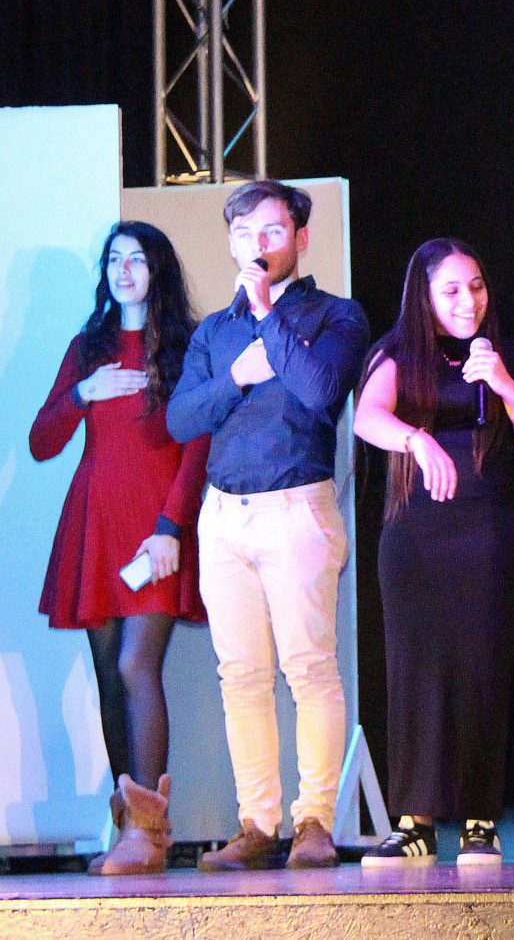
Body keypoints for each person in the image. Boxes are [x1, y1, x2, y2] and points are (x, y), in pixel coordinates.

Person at [168, 179, 370, 871]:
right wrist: (238, 376)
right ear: (230, 242)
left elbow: (319, 391)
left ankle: (314, 821)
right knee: (241, 676)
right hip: (225, 515)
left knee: (309, 669)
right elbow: (181, 419)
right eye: (243, 233)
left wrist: (266, 315)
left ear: (300, 238)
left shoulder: (336, 315)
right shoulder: (213, 331)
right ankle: (256, 824)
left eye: (273, 231)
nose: (256, 245)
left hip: (296, 507)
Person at [353, 239, 514, 868]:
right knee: (416, 669)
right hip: (416, 534)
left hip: (488, 530)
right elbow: (367, 418)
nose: (469, 300)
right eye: (453, 290)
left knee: (483, 668)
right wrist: (418, 440)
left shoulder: (512, 354)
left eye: (477, 286)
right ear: (425, 296)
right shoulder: (397, 354)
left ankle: (479, 819)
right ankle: (414, 821)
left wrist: (504, 384)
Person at [29, 222, 207, 875]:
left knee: (137, 667)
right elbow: (41, 442)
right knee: (108, 676)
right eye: (113, 259)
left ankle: (150, 829)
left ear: (158, 271)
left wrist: (171, 527)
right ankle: (130, 826)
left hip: (155, 527)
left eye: (136, 259)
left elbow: (197, 449)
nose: (123, 270)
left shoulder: (187, 348)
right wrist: (83, 394)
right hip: (95, 523)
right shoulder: (90, 347)